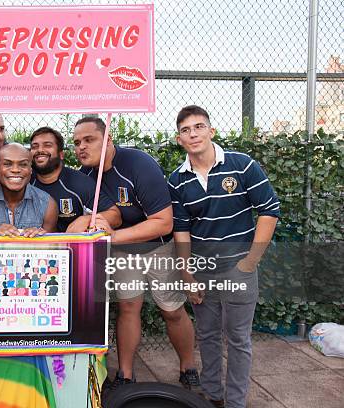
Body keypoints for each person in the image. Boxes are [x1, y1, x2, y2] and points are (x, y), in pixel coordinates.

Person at [74, 117, 199, 392]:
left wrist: (114, 236)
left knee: (172, 309)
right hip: (122, 252)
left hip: (158, 245)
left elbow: (164, 221)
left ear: (108, 141)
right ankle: (126, 374)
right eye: (76, 142)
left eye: (89, 140)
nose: (81, 147)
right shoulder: (83, 177)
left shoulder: (138, 164)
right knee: (129, 308)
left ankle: (188, 367)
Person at [168, 105, 279, 408]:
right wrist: (187, 274)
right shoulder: (176, 180)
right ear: (179, 139)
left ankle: (235, 402)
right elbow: (181, 231)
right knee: (207, 335)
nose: (193, 134)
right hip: (202, 269)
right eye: (186, 130)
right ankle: (213, 396)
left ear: (211, 131)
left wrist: (250, 262)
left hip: (238, 266)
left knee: (239, 339)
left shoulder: (242, 166)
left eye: (199, 126)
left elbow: (269, 210)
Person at [29, 126, 122, 232]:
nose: (40, 150)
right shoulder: (25, 182)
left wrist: (88, 220)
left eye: (47, 145)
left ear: (61, 155)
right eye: (35, 146)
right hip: (33, 244)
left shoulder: (79, 182)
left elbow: (115, 216)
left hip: (72, 245)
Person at [0, 143, 58, 237]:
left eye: (23, 164)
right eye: (7, 164)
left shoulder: (48, 204)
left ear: (31, 170)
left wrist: (38, 239)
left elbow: (51, 248)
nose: (15, 170)